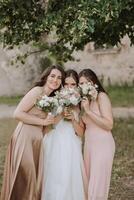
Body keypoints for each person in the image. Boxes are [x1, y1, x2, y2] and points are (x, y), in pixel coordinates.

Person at [0, 65, 65, 200]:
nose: (55, 80)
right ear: (46, 77)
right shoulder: (37, 91)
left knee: (33, 179)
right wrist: (43, 122)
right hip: (25, 137)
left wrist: (61, 114)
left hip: (38, 141)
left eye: (59, 78)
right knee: (24, 175)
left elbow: (49, 125)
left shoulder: (53, 99)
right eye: (52, 76)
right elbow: (17, 113)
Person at [41, 69, 87, 200]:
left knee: (69, 175)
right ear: (62, 84)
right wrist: (60, 113)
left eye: (73, 84)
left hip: (71, 144)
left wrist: (72, 119)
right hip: (54, 142)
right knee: (54, 175)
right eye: (66, 84)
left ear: (77, 86)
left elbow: (81, 133)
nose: (69, 87)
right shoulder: (54, 100)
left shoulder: (79, 106)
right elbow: (46, 129)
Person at [79, 68, 115, 200]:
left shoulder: (101, 97)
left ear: (94, 82)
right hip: (89, 146)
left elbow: (108, 124)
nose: (84, 86)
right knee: (88, 184)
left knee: (98, 185)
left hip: (103, 145)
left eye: (87, 82)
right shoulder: (84, 101)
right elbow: (84, 128)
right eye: (81, 83)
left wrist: (88, 111)